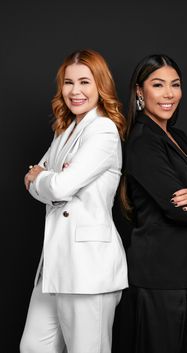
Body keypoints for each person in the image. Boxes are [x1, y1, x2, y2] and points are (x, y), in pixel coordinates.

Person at [20, 49, 128, 353]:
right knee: (33, 347)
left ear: (100, 86)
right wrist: (46, 178)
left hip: (87, 268)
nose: (75, 91)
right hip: (54, 265)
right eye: (69, 82)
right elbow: (35, 178)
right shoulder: (65, 130)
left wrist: (48, 179)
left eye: (85, 82)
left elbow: (55, 187)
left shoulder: (103, 130)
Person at [119, 54, 187, 353]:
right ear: (140, 92)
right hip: (158, 278)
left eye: (175, 85)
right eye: (158, 84)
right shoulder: (141, 142)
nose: (169, 94)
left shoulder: (179, 137)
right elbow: (179, 210)